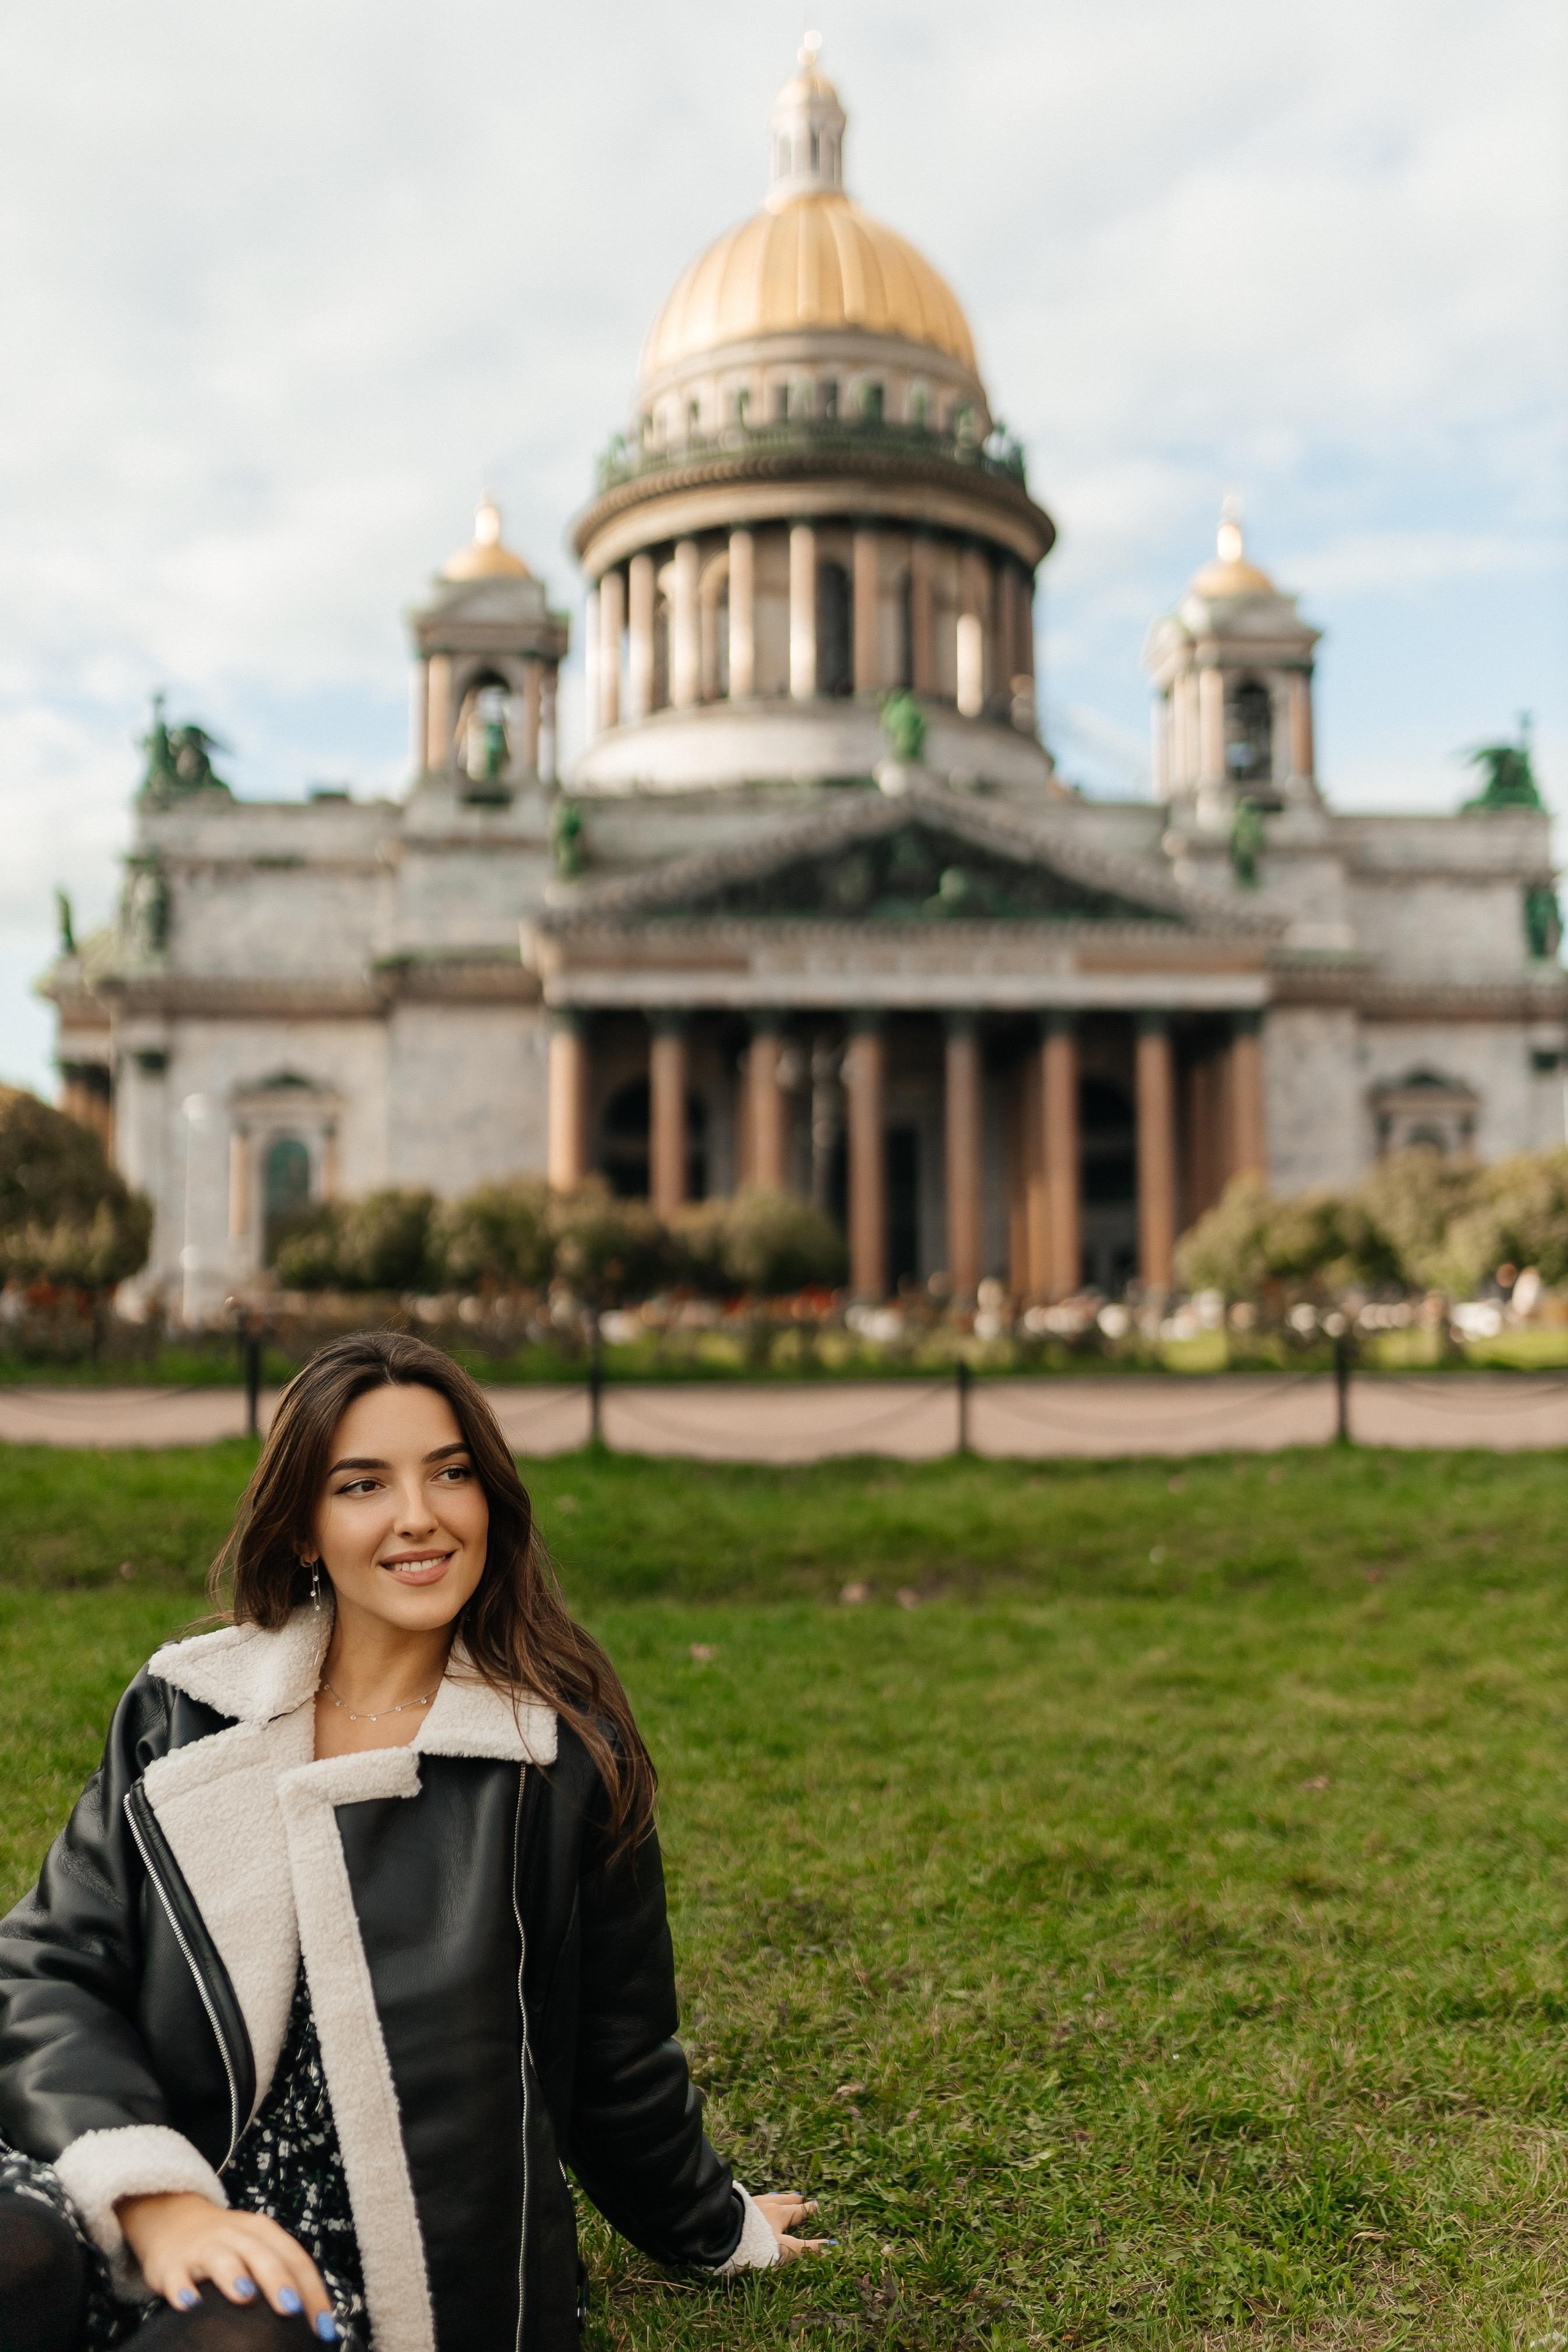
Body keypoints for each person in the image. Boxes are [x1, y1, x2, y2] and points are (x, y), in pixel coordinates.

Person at [0, 1331, 823, 2350]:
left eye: (450, 1474)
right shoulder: (187, 1708)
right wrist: (157, 2199)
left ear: (491, 1501)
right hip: (137, 2181)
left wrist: (723, 2232)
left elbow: (619, 2068)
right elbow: (44, 1970)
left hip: (360, 2262)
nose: (419, 1516)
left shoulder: (560, 1766)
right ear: (302, 1528)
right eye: (362, 1485)